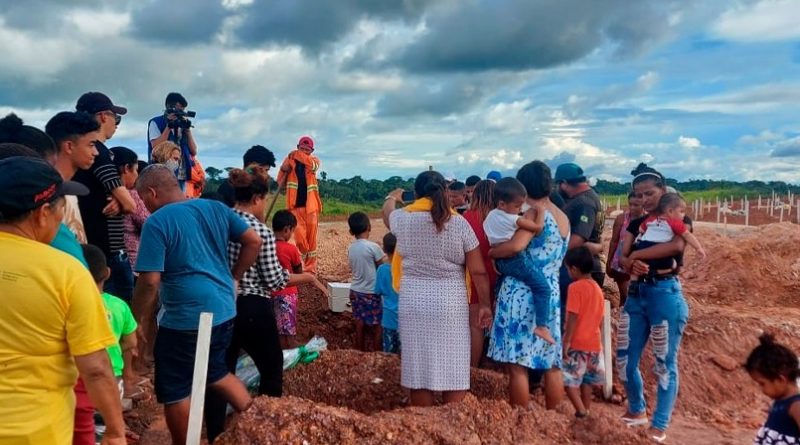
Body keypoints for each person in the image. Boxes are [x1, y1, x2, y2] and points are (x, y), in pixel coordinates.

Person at [0, 156, 125, 445]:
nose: (61, 218)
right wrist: (115, 430)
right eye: (60, 208)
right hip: (35, 433)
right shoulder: (66, 272)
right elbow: (96, 368)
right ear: (43, 213)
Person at [132, 164, 259, 445]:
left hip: (187, 317)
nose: (144, 205)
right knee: (216, 371)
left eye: (142, 198)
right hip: (224, 310)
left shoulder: (157, 222)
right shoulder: (215, 208)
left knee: (176, 387)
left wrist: (137, 319)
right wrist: (234, 276)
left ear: (151, 192)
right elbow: (253, 240)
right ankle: (258, 424)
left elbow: (149, 282)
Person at [206, 167, 325, 443]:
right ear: (258, 198)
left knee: (220, 370)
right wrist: (306, 277)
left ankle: (215, 435)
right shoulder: (259, 230)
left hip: (220, 302)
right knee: (271, 368)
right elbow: (274, 280)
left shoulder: (218, 223)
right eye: (266, 198)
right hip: (252, 308)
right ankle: (265, 431)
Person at [381, 171, 492, 407]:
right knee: (454, 369)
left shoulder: (403, 219)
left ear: (417, 193)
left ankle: (425, 422)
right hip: (450, 305)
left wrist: (392, 196)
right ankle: (451, 419)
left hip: (413, 303)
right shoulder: (459, 224)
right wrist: (484, 304)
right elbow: (478, 271)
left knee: (419, 373)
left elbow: (387, 213)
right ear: (445, 191)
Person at [616, 164, 690, 442]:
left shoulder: (678, 218)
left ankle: (659, 424)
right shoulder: (636, 224)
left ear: (663, 190)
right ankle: (636, 410)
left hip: (664, 294)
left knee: (664, 363)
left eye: (649, 193)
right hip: (637, 295)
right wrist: (630, 264)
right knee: (624, 359)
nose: (644, 199)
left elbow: (677, 246)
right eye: (639, 195)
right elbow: (622, 257)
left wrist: (636, 256)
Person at [488, 160, 569, 409]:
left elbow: (515, 246)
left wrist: (493, 253)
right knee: (551, 362)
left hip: (522, 292)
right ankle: (552, 419)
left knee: (517, 363)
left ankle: (521, 419)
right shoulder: (562, 216)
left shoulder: (533, 213)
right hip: (550, 292)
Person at [74, 92, 137, 304]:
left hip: (91, 244)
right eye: (115, 118)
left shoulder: (83, 152)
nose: (116, 124)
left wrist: (117, 199)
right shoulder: (100, 154)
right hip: (108, 251)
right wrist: (122, 201)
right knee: (118, 310)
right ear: (102, 116)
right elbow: (130, 205)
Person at [0, 114, 88, 265]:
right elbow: (79, 267)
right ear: (43, 212)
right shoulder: (55, 236)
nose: (53, 175)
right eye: (50, 167)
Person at [484, 177, 554, 345]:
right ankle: (542, 326)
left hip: (500, 260)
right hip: (515, 259)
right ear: (502, 204)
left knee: (500, 286)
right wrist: (540, 211)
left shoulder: (491, 215)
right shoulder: (513, 219)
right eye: (517, 206)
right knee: (543, 288)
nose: (520, 210)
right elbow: (537, 229)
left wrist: (493, 254)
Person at [82, 244, 141, 400]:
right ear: (107, 273)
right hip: (112, 376)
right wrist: (113, 347)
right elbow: (131, 342)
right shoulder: (120, 306)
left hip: (79, 377)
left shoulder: (69, 305)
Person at [271, 209, 327, 349]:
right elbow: (299, 272)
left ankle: (280, 350)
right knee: (288, 329)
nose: (292, 234)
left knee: (277, 327)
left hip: (271, 294)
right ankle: (291, 350)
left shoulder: (267, 247)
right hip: (288, 294)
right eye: (292, 231)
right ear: (287, 229)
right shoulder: (291, 249)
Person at [45, 110, 102, 243]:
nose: (96, 152)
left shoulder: (67, 191)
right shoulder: (50, 195)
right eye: (91, 145)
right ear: (69, 146)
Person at [562, 246, 606, 418]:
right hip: (594, 344)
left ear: (574, 269)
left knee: (569, 382)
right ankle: (586, 410)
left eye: (568, 269)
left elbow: (573, 316)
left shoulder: (575, 288)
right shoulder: (597, 289)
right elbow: (600, 318)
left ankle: (580, 411)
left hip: (577, 343)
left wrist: (567, 341)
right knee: (587, 381)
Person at [461, 179, 499, 366]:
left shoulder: (467, 218)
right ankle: (496, 366)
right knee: (497, 323)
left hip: (474, 276)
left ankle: (473, 368)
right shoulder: (500, 218)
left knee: (475, 326)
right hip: (498, 273)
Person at [631, 193, 706, 280]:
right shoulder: (675, 223)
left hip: (643, 246)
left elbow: (641, 229)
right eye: (681, 211)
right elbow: (687, 235)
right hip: (658, 249)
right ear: (670, 211)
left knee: (639, 264)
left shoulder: (651, 219)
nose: (684, 215)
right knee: (673, 264)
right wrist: (698, 248)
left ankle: (634, 282)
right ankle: (655, 272)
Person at [278, 136, 322, 272]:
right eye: (301, 148)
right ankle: (300, 265)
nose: (303, 151)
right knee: (299, 237)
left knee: (312, 240)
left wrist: (297, 154)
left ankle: (310, 269)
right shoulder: (290, 159)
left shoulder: (314, 161)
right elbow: (280, 180)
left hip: (311, 207)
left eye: (307, 150)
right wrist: (283, 168)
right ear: (298, 147)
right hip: (294, 207)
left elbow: (313, 166)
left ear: (312, 151)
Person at [746, 333, 800, 444]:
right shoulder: (780, 402)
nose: (762, 390)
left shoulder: (796, 405)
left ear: (780, 379)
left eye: (762, 383)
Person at [347, 211, 387, 352]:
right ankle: (376, 352)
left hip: (355, 291)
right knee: (378, 324)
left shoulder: (351, 248)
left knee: (359, 321)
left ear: (351, 231)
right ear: (369, 227)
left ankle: (359, 350)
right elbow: (382, 267)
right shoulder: (373, 247)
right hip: (371, 292)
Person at [147, 92, 198, 191]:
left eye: (182, 110)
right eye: (179, 110)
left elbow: (194, 151)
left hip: (181, 173)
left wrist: (187, 130)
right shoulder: (156, 122)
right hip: (162, 172)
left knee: (179, 200)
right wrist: (169, 126)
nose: (181, 113)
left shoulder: (182, 125)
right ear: (169, 108)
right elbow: (156, 147)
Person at [606, 191, 644, 307]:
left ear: (644, 205)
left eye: (636, 205)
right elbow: (614, 241)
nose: (632, 207)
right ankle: (622, 315)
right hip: (621, 263)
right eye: (630, 204)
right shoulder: (621, 219)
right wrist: (609, 261)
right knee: (626, 296)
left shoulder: (648, 221)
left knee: (638, 296)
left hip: (640, 264)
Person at [374, 232, 400, 354]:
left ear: (384, 249)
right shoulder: (407, 270)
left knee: (389, 356)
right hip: (406, 320)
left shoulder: (382, 270)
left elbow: (378, 291)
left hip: (388, 319)